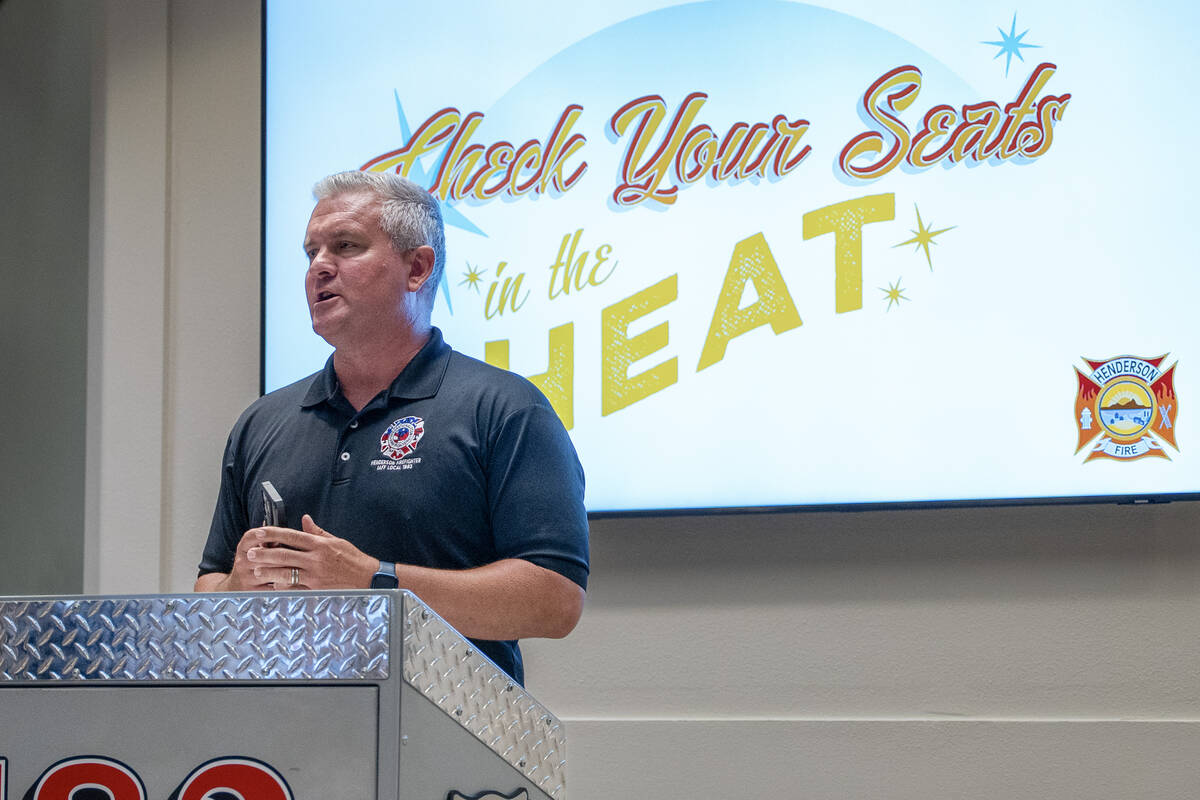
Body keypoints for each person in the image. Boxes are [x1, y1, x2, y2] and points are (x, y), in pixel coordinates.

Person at [195, 171, 589, 684]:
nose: (318, 268)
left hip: (443, 720)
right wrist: (236, 588)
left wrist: (374, 582)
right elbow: (210, 585)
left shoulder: (504, 407)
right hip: (282, 720)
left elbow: (554, 600)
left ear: (417, 268)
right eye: (311, 252)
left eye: (346, 246)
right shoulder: (262, 421)